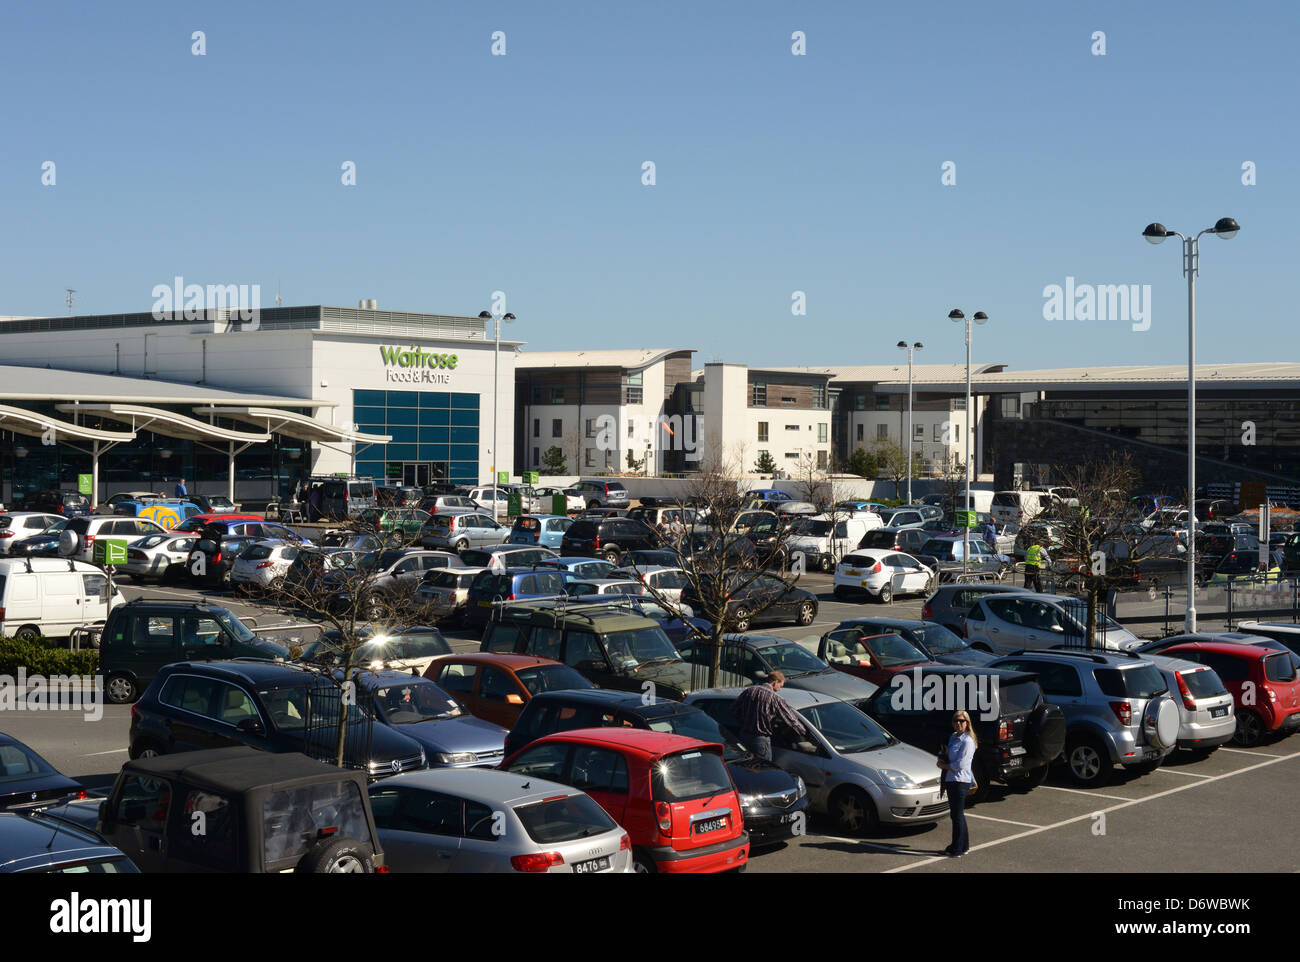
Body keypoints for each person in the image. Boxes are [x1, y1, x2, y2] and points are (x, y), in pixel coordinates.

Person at [732, 670, 812, 762]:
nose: (780, 689)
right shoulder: (775, 699)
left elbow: (734, 709)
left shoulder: (749, 691)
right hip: (760, 740)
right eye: (780, 686)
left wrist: (744, 721)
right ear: (775, 682)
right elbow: (791, 719)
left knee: (745, 764)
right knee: (763, 766)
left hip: (743, 736)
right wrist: (805, 733)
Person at [938, 710, 976, 857]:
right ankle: (963, 845)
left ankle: (956, 848)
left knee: (957, 815)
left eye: (961, 721)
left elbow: (960, 764)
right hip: (951, 780)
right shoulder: (953, 737)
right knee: (957, 815)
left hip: (960, 781)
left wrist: (944, 766)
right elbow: (949, 755)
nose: (958, 723)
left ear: (967, 723)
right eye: (956, 721)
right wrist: (942, 756)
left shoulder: (968, 741)